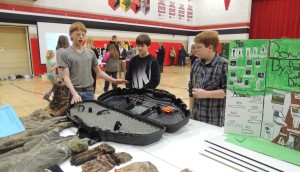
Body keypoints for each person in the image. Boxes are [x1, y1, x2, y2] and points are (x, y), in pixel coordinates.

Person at [58, 22, 127, 104]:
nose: (81, 37)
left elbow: (99, 72)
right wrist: (74, 93)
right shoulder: (65, 54)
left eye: (83, 35)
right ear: (70, 34)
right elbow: (66, 77)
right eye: (78, 34)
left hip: (89, 91)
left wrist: (114, 80)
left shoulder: (90, 53)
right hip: (74, 91)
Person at [188, 30, 228, 127]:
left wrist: (206, 94)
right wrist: (191, 111)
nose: (195, 50)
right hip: (195, 117)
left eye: (199, 47)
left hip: (213, 120)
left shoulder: (224, 65)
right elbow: (191, 89)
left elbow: (228, 91)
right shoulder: (196, 64)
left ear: (210, 48)